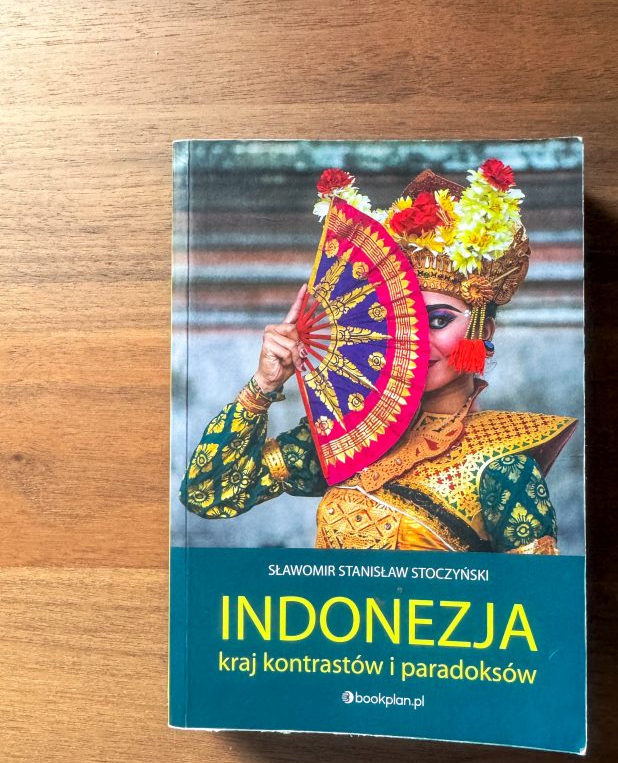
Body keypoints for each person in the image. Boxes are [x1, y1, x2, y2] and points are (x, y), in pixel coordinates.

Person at [180, 162, 577, 553]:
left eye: (438, 320)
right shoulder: (353, 433)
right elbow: (207, 494)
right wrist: (263, 386)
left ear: (483, 331)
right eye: (404, 321)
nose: (417, 339)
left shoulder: (503, 463)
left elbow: (531, 592)